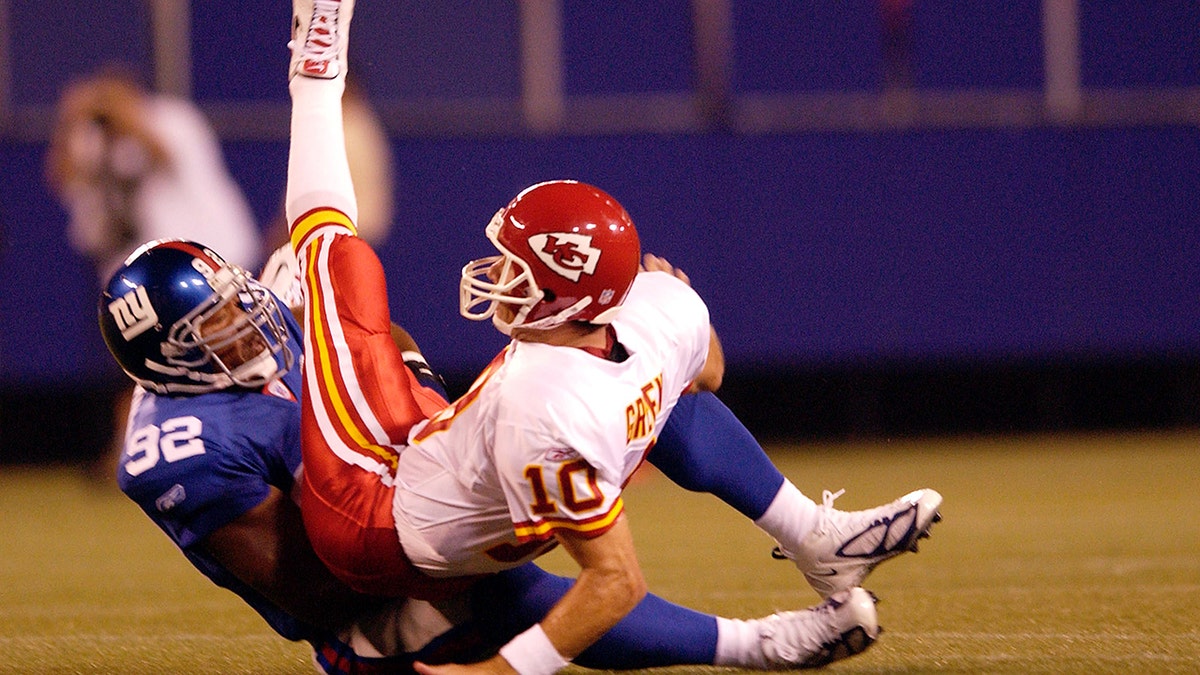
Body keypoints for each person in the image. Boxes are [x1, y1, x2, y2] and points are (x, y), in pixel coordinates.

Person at [283, 1, 939, 672]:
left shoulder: (543, 401)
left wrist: (499, 674)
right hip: (488, 500)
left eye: (516, 267)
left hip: (374, 520)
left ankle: (315, 69)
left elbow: (616, 584)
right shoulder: (660, 306)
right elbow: (705, 368)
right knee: (637, 428)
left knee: (338, 260)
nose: (497, 275)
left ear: (564, 292)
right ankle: (799, 568)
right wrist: (679, 333)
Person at [98, 238, 879, 673]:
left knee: (613, 372)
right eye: (221, 327)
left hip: (403, 478)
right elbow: (320, 594)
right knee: (510, 593)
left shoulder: (272, 325)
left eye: (240, 301)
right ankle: (759, 645)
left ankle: (812, 531)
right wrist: (449, 483)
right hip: (375, 595)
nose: (255, 321)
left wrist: (427, 422)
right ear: (170, 361)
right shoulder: (181, 452)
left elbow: (387, 348)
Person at [46, 67, 262, 477]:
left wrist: (119, 112)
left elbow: (162, 152)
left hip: (208, 260)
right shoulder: (91, 138)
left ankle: (243, 442)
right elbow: (64, 176)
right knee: (139, 367)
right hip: (147, 276)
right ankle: (138, 447)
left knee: (228, 357)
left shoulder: (170, 117)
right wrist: (71, 122)